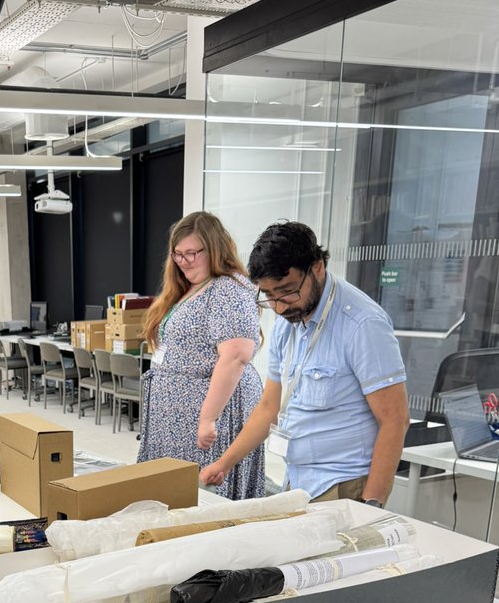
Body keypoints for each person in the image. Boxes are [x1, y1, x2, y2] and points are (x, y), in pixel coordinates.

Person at [200, 221, 409, 506]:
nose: (279, 306)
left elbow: (395, 420)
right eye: (269, 295)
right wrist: (223, 464)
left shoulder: (362, 324)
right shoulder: (289, 323)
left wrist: (370, 504)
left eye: (286, 291)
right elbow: (269, 408)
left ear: (317, 268)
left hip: (345, 486)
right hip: (297, 481)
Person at [138, 211, 265, 500]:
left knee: (203, 494)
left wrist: (208, 418)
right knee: (174, 494)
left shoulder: (229, 289)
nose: (184, 262)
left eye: (192, 253)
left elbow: (235, 355)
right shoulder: (190, 287)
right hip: (175, 416)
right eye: (178, 254)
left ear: (215, 248)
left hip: (206, 416)